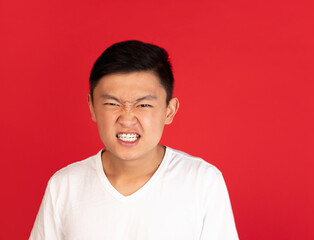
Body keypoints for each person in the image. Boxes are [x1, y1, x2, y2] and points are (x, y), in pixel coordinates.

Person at [29, 40, 239, 240]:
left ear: (169, 110)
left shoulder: (202, 182)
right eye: (112, 104)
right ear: (92, 107)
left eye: (143, 105)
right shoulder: (65, 186)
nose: (127, 118)